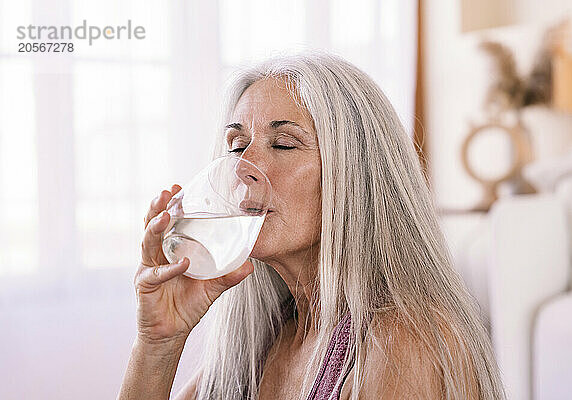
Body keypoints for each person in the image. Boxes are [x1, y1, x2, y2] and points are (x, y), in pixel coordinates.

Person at [118, 52, 506, 400]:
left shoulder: (403, 344)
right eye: (237, 145)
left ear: (355, 176)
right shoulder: (265, 343)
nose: (241, 167)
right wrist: (158, 343)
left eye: (283, 144)